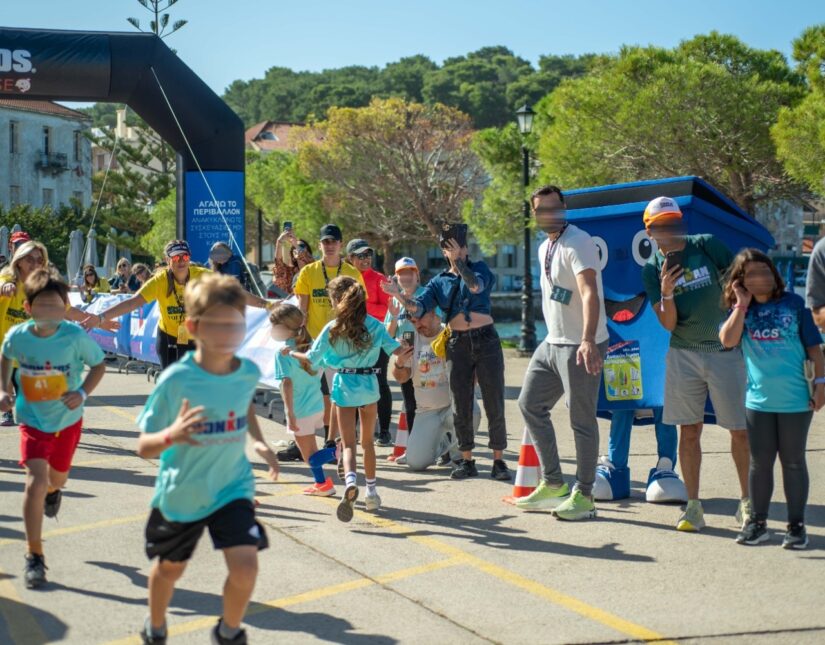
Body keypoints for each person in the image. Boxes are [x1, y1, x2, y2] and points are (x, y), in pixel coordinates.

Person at [135, 272, 279, 645]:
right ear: (193, 326)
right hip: (183, 493)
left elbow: (243, 404)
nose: (229, 333)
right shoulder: (177, 380)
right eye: (218, 324)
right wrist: (173, 435)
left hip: (232, 488)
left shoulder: (246, 372)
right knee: (170, 570)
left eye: (236, 324)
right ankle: (155, 627)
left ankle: (228, 633)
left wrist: (259, 442)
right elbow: (144, 447)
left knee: (246, 567)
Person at [640, 196, 751, 532]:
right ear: (649, 232)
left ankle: (747, 503)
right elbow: (669, 324)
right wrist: (667, 292)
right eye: (661, 225)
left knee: (739, 430)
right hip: (683, 355)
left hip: (724, 352)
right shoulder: (650, 270)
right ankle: (693, 507)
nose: (669, 230)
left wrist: (736, 311)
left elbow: (740, 284)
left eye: (674, 222)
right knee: (689, 432)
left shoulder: (706, 245)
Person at [0, 269, 106, 588]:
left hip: (67, 421)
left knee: (56, 479)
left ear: (64, 308)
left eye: (56, 306)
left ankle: (54, 491)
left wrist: (82, 393)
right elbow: (5, 356)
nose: (49, 311)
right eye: (42, 305)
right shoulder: (18, 336)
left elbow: (98, 365)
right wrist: (4, 388)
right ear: (28, 307)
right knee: (34, 482)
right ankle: (34, 554)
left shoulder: (74, 337)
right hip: (32, 420)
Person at [383, 223, 510, 481]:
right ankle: (466, 460)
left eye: (460, 247)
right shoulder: (439, 281)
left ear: (466, 249)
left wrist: (459, 263)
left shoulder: (480, 269)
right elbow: (418, 308)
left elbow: (475, 287)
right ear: (443, 252)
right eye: (450, 249)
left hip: (486, 340)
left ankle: (499, 461)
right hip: (457, 342)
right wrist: (398, 295)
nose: (456, 252)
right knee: (460, 402)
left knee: (493, 400)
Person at [515, 185, 609, 520]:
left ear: (564, 207)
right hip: (552, 342)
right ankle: (554, 483)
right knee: (529, 404)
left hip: (580, 344)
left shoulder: (578, 241)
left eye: (555, 207)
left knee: (581, 419)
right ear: (534, 214)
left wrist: (588, 339)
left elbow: (589, 292)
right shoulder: (545, 246)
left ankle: (584, 494)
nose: (549, 214)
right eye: (542, 210)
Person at [720, 249, 824, 549]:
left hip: (796, 400)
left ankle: (796, 526)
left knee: (793, 461)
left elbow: (814, 349)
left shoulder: (794, 304)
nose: (760, 277)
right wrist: (741, 304)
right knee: (760, 463)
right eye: (751, 273)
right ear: (740, 280)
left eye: (765, 271)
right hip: (759, 402)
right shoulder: (742, 310)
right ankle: (758, 523)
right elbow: (727, 340)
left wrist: (821, 385)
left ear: (774, 274)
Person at [287, 276, 402, 521]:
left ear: (338, 300)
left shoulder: (333, 328)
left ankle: (350, 482)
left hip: (344, 385)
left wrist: (293, 353)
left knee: (348, 444)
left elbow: (312, 359)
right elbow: (397, 349)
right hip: (369, 385)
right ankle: (371, 493)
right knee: (368, 443)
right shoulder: (374, 325)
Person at [86, 240, 272, 369]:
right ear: (168, 260)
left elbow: (234, 292)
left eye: (185, 257)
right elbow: (133, 303)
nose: (182, 261)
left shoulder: (201, 274)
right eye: (176, 258)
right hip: (168, 339)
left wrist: (267, 305)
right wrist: (100, 318)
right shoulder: (159, 281)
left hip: (196, 338)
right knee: (174, 387)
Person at [0, 242, 117, 426]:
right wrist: (4, 286)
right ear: (19, 261)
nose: (35, 263)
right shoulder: (8, 278)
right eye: (29, 259)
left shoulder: (44, 286)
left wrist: (99, 320)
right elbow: (2, 281)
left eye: (40, 260)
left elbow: (68, 311)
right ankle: (8, 412)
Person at [290, 224, 364, 461]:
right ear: (320, 245)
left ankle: (335, 443)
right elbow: (302, 308)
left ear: (341, 244)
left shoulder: (352, 273)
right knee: (306, 392)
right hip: (315, 341)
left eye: (333, 241)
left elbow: (358, 309)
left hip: (341, 343)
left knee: (338, 394)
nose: (329, 246)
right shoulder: (308, 272)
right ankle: (302, 440)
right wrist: (299, 337)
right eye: (325, 242)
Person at [270, 302, 337, 496]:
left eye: (274, 326)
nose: (272, 330)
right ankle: (322, 484)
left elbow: (287, 383)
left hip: (299, 409)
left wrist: (289, 412)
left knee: (309, 457)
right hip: (316, 406)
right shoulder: (313, 345)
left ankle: (339, 452)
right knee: (312, 451)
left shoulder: (282, 353)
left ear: (286, 328)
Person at [391, 308, 464, 470]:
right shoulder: (409, 338)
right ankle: (441, 445)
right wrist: (399, 363)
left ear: (435, 316)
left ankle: (457, 455)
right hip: (426, 411)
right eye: (413, 321)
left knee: (472, 411)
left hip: (451, 407)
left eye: (420, 319)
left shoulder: (451, 334)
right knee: (415, 463)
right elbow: (402, 378)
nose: (417, 325)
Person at [346, 238, 393, 446]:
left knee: (380, 382)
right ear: (350, 258)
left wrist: (361, 308)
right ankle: (354, 432)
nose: (366, 259)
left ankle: (384, 431)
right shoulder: (346, 278)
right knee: (354, 382)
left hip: (378, 340)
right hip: (352, 339)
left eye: (368, 255)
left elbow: (388, 311)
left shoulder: (379, 279)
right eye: (360, 255)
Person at [385, 257, 427, 433]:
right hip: (406, 357)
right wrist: (394, 317)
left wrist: (397, 295)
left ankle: (436, 445)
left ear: (417, 275)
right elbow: (388, 335)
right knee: (410, 404)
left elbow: (422, 313)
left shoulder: (427, 294)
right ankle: (413, 444)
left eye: (410, 273)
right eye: (402, 274)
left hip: (427, 357)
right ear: (397, 277)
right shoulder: (395, 300)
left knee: (429, 404)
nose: (406, 277)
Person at [273, 229, 314, 295]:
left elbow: (305, 264)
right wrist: (279, 242)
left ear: (308, 250)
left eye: (301, 246)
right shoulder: (289, 272)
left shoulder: (314, 267)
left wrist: (296, 244)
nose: (296, 248)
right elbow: (278, 265)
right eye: (293, 248)